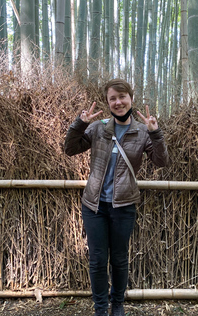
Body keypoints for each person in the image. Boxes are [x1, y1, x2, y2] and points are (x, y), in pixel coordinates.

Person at [64, 79, 169, 316]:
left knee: (119, 259)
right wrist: (80, 124)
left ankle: (118, 304)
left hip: (124, 205)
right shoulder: (98, 128)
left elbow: (161, 161)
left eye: (122, 97)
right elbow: (70, 149)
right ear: (108, 103)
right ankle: (101, 308)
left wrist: (156, 133)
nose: (118, 102)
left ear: (131, 98)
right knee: (98, 260)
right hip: (94, 205)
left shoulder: (142, 132)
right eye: (113, 98)